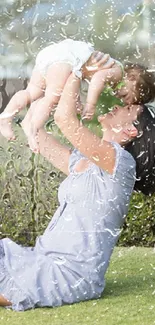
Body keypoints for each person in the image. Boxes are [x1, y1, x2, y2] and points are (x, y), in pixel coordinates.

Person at [0, 68, 154, 310]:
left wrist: (77, 67)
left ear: (130, 131)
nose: (117, 105)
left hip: (68, 274)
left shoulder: (121, 163)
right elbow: (38, 136)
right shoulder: (88, 160)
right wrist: (45, 91)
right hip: (37, 257)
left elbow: (65, 120)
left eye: (126, 109)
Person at [0, 39, 155, 153]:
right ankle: (33, 130)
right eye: (126, 95)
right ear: (133, 79)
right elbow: (97, 80)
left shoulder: (116, 72)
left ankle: (6, 116)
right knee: (52, 97)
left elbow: (81, 78)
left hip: (55, 55)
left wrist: (76, 101)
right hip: (67, 59)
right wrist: (90, 105)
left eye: (123, 99)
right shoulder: (118, 72)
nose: (119, 97)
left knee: (32, 92)